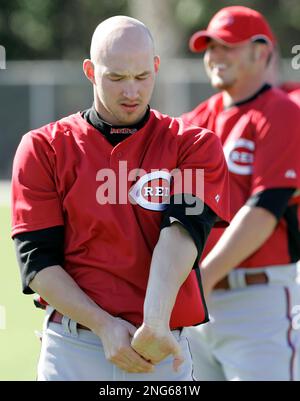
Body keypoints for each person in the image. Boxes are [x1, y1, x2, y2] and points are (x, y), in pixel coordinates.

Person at [11, 16, 230, 381]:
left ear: (156, 67)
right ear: (90, 71)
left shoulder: (191, 144)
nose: (131, 91)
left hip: (160, 349)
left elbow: (182, 233)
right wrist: (103, 326)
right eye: (116, 77)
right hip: (74, 345)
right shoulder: (43, 147)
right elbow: (36, 259)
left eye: (142, 77)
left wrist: (155, 322)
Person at [181, 6, 300, 381]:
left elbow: (264, 211)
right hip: (196, 303)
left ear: (261, 52)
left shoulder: (280, 112)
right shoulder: (194, 121)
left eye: (227, 46)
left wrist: (199, 278)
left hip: (256, 300)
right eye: (210, 47)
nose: (215, 56)